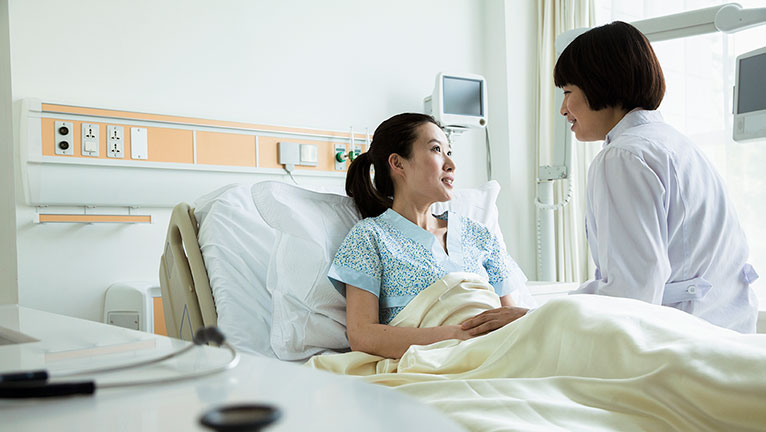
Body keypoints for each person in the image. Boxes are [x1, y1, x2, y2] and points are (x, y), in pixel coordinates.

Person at [552, 21, 757, 332]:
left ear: (600, 83)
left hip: (680, 340)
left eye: (568, 92)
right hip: (728, 332)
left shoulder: (623, 156)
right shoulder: (675, 144)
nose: (563, 109)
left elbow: (630, 293)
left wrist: (541, 317)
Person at [328, 113, 532, 358]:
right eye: (436, 149)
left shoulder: (478, 234)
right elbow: (362, 336)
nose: (451, 164)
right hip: (437, 362)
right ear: (398, 163)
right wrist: (456, 337)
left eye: (449, 152)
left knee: (564, 314)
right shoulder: (370, 237)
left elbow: (511, 319)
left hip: (501, 353)